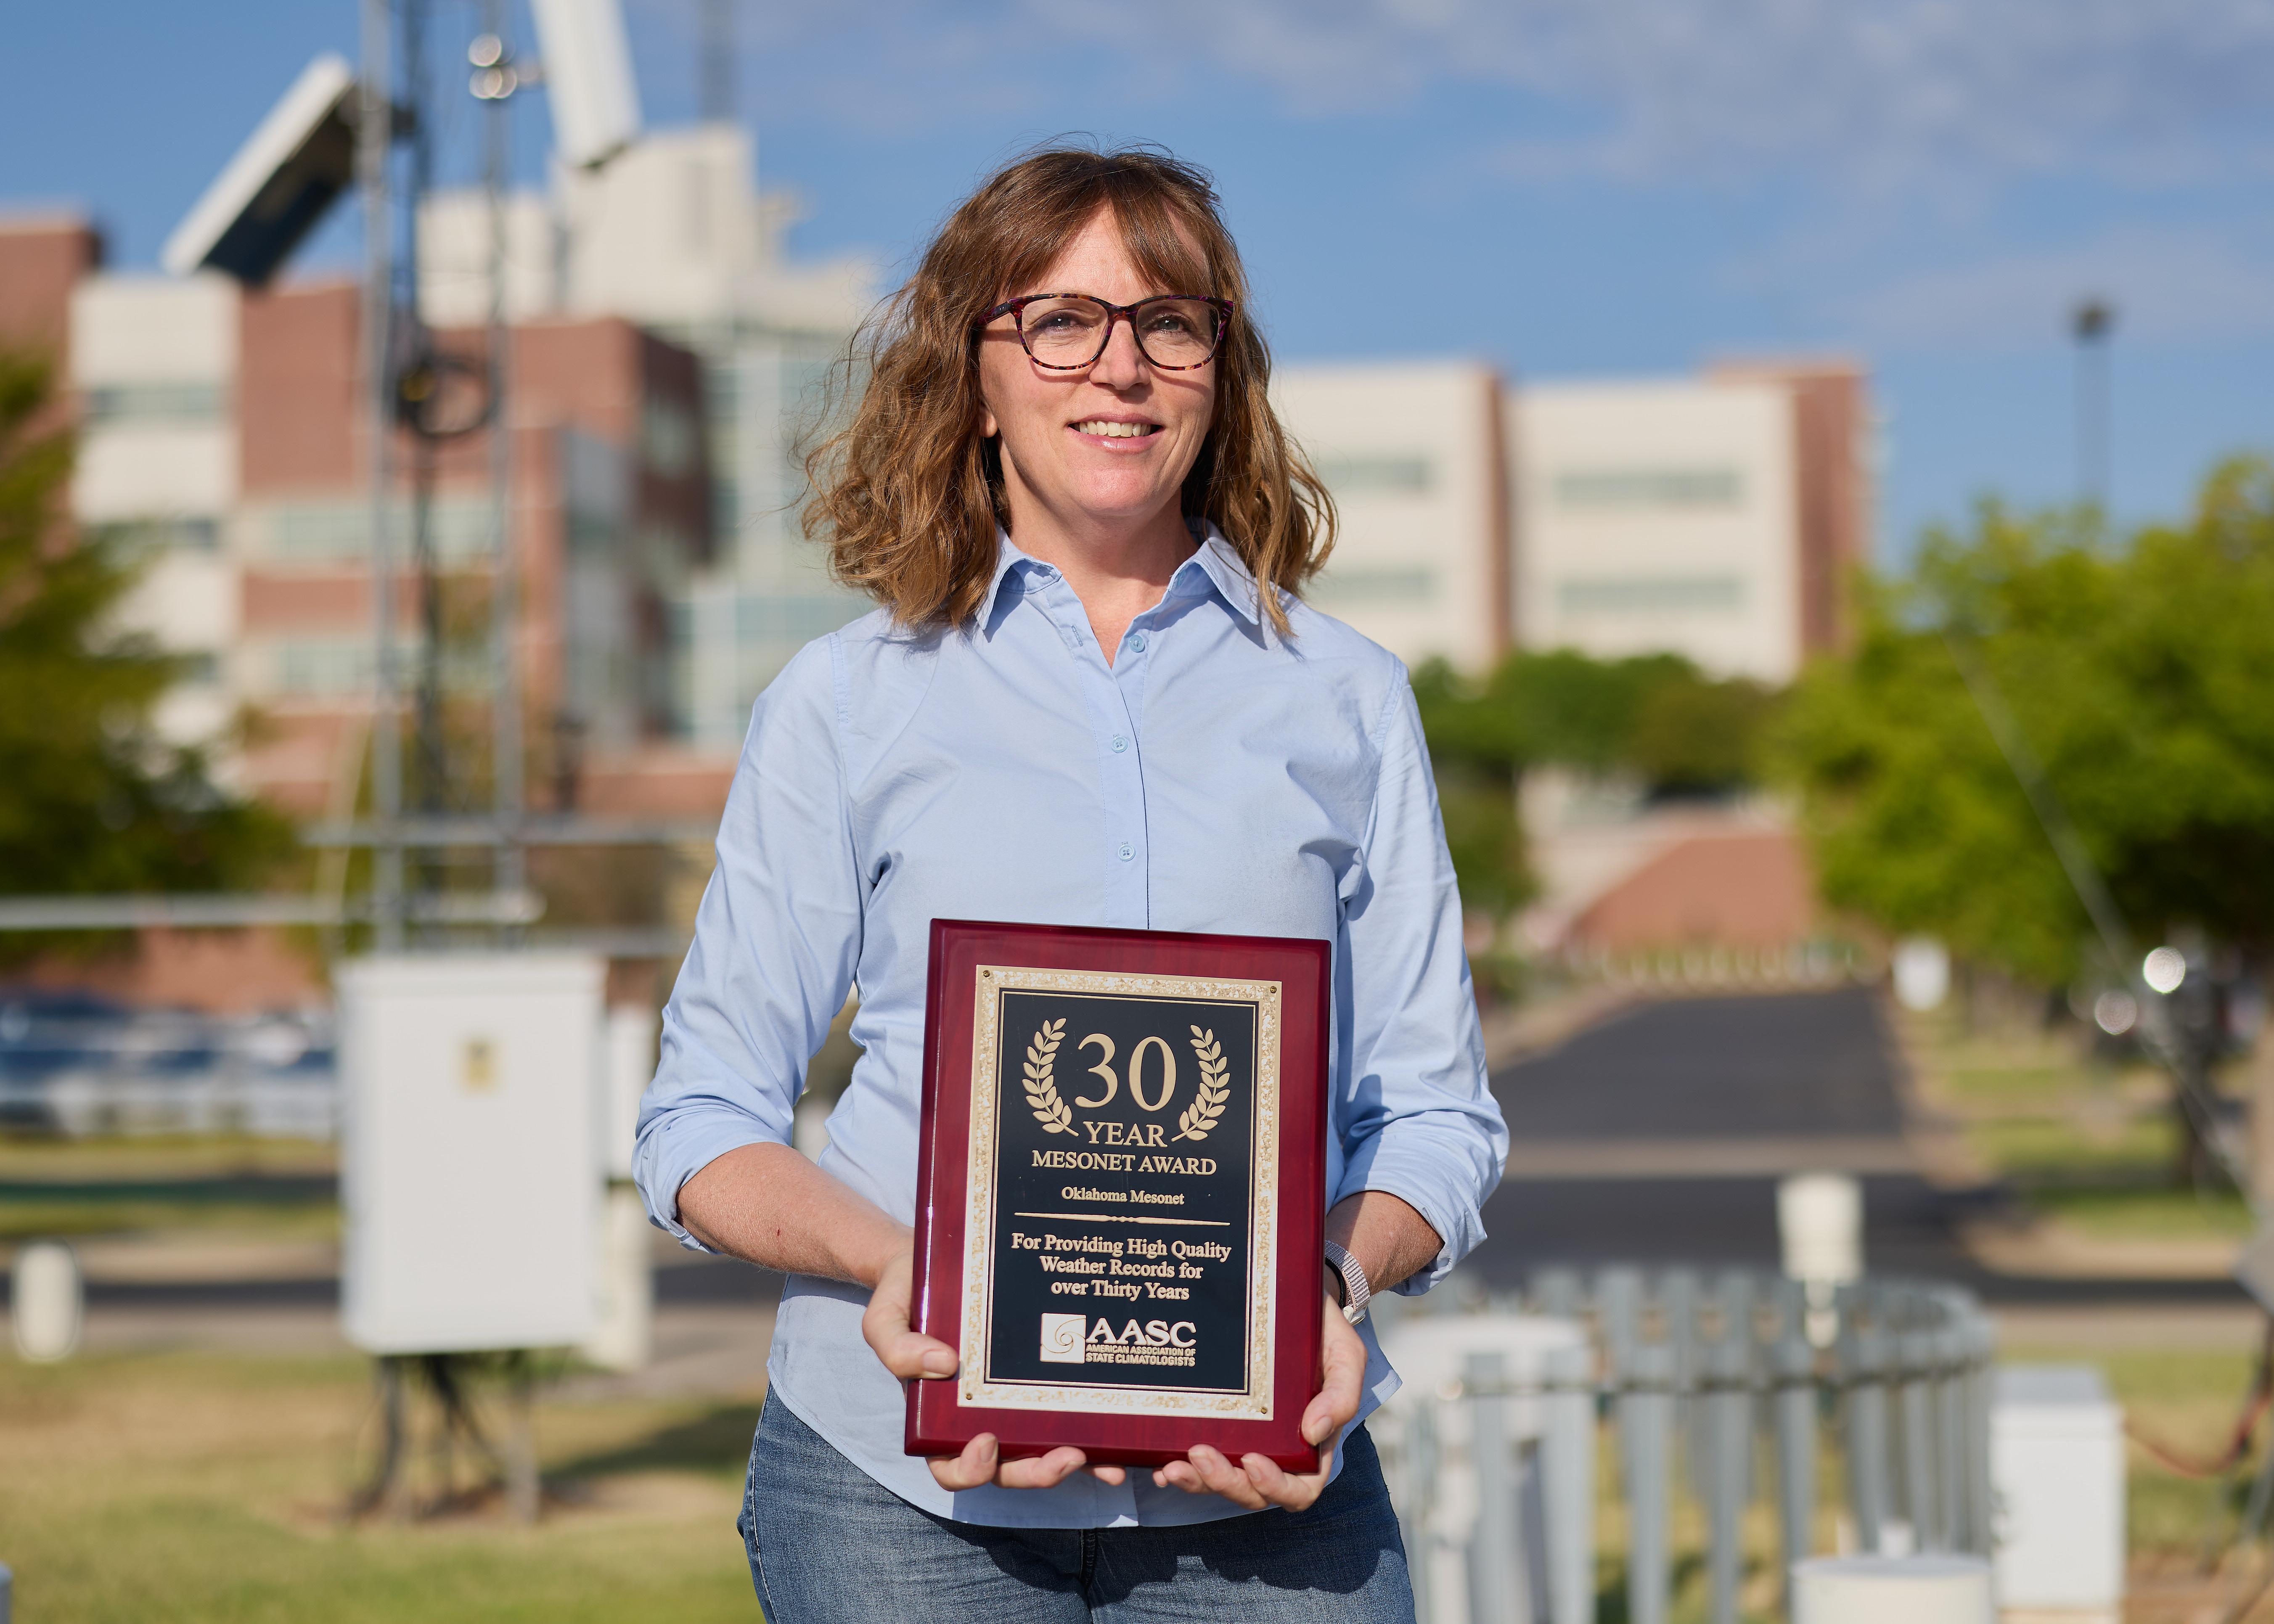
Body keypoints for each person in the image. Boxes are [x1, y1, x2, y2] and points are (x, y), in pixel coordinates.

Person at [634, 143, 1507, 1622]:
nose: (1123, 366)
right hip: (896, 1501)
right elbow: (701, 1121)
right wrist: (915, 1272)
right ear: (976, 372)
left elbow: (1433, 1115)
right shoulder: (845, 700)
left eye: (1172, 322)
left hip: (1266, 1498)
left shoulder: (1349, 699)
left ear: (1219, 370)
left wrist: (1330, 1296)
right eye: (1062, 320)